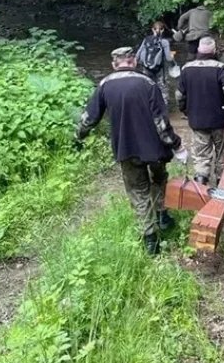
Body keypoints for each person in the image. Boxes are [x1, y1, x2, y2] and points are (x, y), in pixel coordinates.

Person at [75, 47, 182, 255]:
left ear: (114, 65)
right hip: (154, 149)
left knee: (138, 190)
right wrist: (174, 144)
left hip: (126, 148)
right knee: (159, 178)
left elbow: (89, 117)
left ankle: (150, 239)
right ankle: (162, 214)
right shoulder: (149, 84)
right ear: (134, 62)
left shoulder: (105, 85)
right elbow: (161, 122)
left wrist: (78, 136)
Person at [176, 37, 224, 187]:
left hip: (197, 120)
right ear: (214, 51)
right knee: (222, 153)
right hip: (219, 120)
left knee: (201, 156)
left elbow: (179, 94)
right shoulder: (221, 68)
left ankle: (201, 186)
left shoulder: (186, 69)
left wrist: (184, 109)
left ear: (198, 50)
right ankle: (222, 187)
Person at [136, 20, 176, 105]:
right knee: (162, 87)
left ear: (152, 29)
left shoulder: (146, 39)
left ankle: (147, 105)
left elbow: (138, 54)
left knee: (147, 86)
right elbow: (168, 58)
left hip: (146, 67)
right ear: (162, 30)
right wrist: (172, 56)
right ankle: (163, 108)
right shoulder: (164, 42)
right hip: (159, 69)